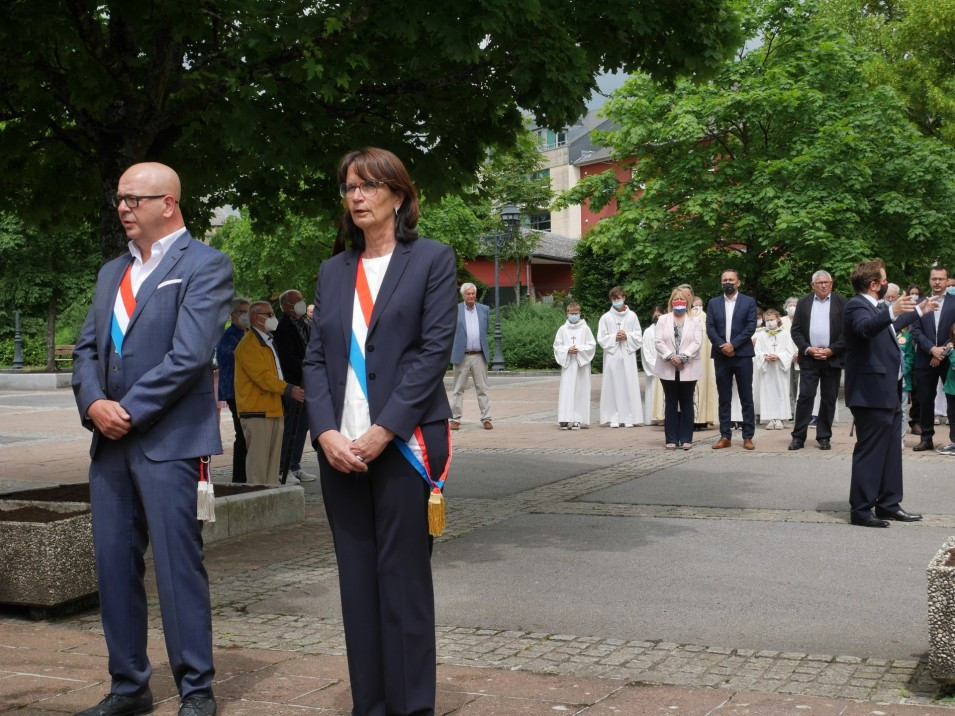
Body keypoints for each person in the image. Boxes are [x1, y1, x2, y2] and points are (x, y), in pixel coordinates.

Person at [71, 162, 232, 716]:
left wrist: (128, 410)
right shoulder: (111, 271)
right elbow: (86, 349)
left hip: (170, 442)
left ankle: (196, 690)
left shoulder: (206, 265)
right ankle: (128, 687)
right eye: (119, 198)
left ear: (168, 203)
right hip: (109, 445)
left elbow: (190, 355)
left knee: (177, 567)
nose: (123, 208)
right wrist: (94, 404)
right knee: (114, 567)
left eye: (133, 199)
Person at [302, 147, 456, 716]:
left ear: (398, 195)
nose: (357, 196)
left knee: (403, 581)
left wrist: (385, 429)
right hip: (339, 449)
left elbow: (433, 352)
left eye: (369, 185)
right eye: (350, 187)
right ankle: (368, 705)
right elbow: (315, 359)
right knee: (357, 583)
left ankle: (411, 707)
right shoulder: (333, 270)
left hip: (404, 446)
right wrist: (325, 433)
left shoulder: (432, 259)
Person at [844, 258, 929, 527]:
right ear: (874, 284)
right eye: (883, 279)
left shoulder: (877, 307)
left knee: (891, 451)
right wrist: (892, 310)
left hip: (887, 390)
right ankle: (861, 510)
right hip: (870, 393)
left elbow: (889, 325)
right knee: (871, 451)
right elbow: (865, 328)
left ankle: (888, 504)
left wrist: (920, 310)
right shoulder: (856, 306)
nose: (886, 282)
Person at [235, 301, 306, 486]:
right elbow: (263, 377)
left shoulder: (268, 341)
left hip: (273, 408)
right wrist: (288, 389)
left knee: (272, 468)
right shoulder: (248, 344)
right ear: (255, 318)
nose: (273, 317)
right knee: (258, 467)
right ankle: (257, 499)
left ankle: (270, 497)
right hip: (257, 411)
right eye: (268, 314)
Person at [787, 270, 848, 451]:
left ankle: (824, 436)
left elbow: (847, 332)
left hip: (832, 358)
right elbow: (796, 330)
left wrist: (832, 350)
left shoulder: (842, 302)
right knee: (805, 397)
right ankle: (798, 437)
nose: (823, 285)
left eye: (826, 282)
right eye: (819, 283)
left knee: (829, 398)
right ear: (812, 285)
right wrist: (808, 349)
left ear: (832, 283)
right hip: (809, 358)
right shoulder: (804, 302)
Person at [706, 269, 758, 450]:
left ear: (738, 282)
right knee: (724, 397)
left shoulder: (748, 302)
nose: (727, 282)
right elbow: (710, 327)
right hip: (721, 355)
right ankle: (725, 436)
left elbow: (751, 326)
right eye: (724, 280)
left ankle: (748, 436)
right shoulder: (713, 303)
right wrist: (723, 346)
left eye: (731, 279)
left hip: (742, 354)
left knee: (746, 396)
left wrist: (733, 345)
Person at [909, 265, 955, 451]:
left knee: (953, 400)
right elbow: (915, 331)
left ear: (947, 281)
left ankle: (954, 440)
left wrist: (942, 352)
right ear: (929, 280)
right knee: (925, 400)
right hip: (924, 358)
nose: (937, 282)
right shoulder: (920, 303)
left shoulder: (954, 302)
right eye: (934, 278)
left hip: (949, 359)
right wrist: (932, 349)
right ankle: (926, 438)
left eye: (941, 279)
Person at [274, 288, 317, 482]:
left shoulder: (306, 324)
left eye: (302, 299)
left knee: (302, 426)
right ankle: (284, 467)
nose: (301, 302)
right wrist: (307, 367)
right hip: (293, 382)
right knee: (290, 425)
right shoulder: (282, 327)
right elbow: (287, 357)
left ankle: (295, 465)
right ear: (285, 306)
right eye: (296, 300)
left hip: (308, 381)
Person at [655, 287, 703, 449]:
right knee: (670, 401)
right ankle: (671, 439)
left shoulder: (695, 320)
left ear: (687, 302)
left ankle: (686, 438)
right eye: (676, 299)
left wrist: (683, 357)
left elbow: (697, 342)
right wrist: (671, 357)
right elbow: (658, 341)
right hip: (667, 365)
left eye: (682, 299)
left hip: (689, 365)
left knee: (687, 401)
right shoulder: (663, 320)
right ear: (671, 302)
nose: (679, 302)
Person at [597, 286, 644, 427]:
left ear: (624, 297)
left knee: (629, 384)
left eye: (619, 298)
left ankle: (629, 417)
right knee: (613, 386)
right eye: (614, 299)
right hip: (613, 356)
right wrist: (614, 337)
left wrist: (627, 336)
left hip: (628, 356)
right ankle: (613, 417)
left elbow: (638, 336)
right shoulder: (606, 317)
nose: (617, 301)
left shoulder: (632, 316)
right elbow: (601, 338)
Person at [216, 297, 251, 483]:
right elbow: (236, 359)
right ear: (233, 314)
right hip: (235, 391)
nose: (246, 315)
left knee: (248, 434)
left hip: (247, 391)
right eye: (242, 311)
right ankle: (239, 477)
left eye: (248, 311)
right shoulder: (228, 336)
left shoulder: (248, 333)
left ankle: (247, 474)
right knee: (242, 434)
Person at [449, 282, 492, 430]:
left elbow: (486, 329)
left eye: (473, 293)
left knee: (482, 389)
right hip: (462, 355)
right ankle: (455, 419)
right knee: (458, 389)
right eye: (468, 294)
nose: (471, 296)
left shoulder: (484, 309)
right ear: (463, 295)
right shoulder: (455, 310)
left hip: (479, 355)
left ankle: (486, 418)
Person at [553, 302, 596, 429]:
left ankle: (578, 419)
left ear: (580, 313)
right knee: (566, 391)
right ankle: (565, 419)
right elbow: (557, 346)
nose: (573, 315)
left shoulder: (585, 329)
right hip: (568, 365)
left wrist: (578, 349)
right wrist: (567, 350)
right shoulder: (562, 329)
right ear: (567, 313)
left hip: (581, 365)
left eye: (576, 313)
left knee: (580, 391)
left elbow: (591, 345)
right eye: (571, 313)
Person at [755, 309, 797, 429]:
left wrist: (778, 356)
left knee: (781, 391)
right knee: (768, 392)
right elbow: (757, 351)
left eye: (772, 320)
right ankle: (770, 418)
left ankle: (780, 418)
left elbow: (790, 351)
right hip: (767, 368)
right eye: (767, 320)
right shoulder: (761, 335)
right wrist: (764, 356)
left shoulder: (785, 334)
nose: (769, 322)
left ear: (778, 319)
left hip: (780, 367)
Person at [641, 306, 665, 423]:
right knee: (653, 391)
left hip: (667, 367)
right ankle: (653, 418)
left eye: (659, 315)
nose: (657, 317)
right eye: (655, 315)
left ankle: (665, 417)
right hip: (654, 368)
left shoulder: (668, 329)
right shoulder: (648, 332)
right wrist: (655, 366)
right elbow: (645, 352)